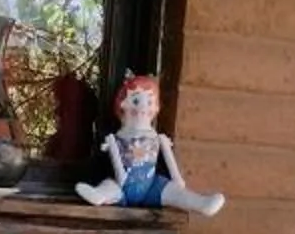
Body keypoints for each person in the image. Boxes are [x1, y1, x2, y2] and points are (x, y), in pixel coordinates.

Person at [77, 73, 223, 216]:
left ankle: (201, 204)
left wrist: (177, 180)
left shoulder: (157, 137)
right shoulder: (117, 138)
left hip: (152, 185)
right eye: (136, 101)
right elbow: (117, 165)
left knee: (174, 191)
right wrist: (120, 177)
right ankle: (99, 195)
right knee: (109, 186)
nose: (143, 108)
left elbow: (168, 158)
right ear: (122, 104)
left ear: (156, 107)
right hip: (123, 185)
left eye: (149, 102)